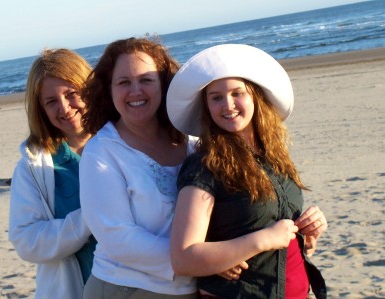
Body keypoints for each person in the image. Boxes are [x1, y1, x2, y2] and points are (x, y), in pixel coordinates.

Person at [167, 44, 328, 299]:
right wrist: (261, 240)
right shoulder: (206, 166)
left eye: (236, 93)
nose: (227, 104)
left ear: (254, 96)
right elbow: (183, 258)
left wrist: (309, 233)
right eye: (216, 97)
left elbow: (283, 234)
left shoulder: (274, 155)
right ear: (206, 107)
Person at [79, 37, 198, 298]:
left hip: (192, 286)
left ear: (164, 85)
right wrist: (200, 262)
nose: (136, 91)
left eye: (146, 79)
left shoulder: (192, 140)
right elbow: (119, 238)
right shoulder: (102, 152)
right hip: (126, 288)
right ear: (109, 91)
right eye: (123, 82)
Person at [8, 48, 97, 299]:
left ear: (89, 88)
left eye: (71, 94)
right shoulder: (34, 166)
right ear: (41, 110)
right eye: (51, 102)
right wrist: (88, 219)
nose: (65, 108)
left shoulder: (124, 141)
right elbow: (27, 241)